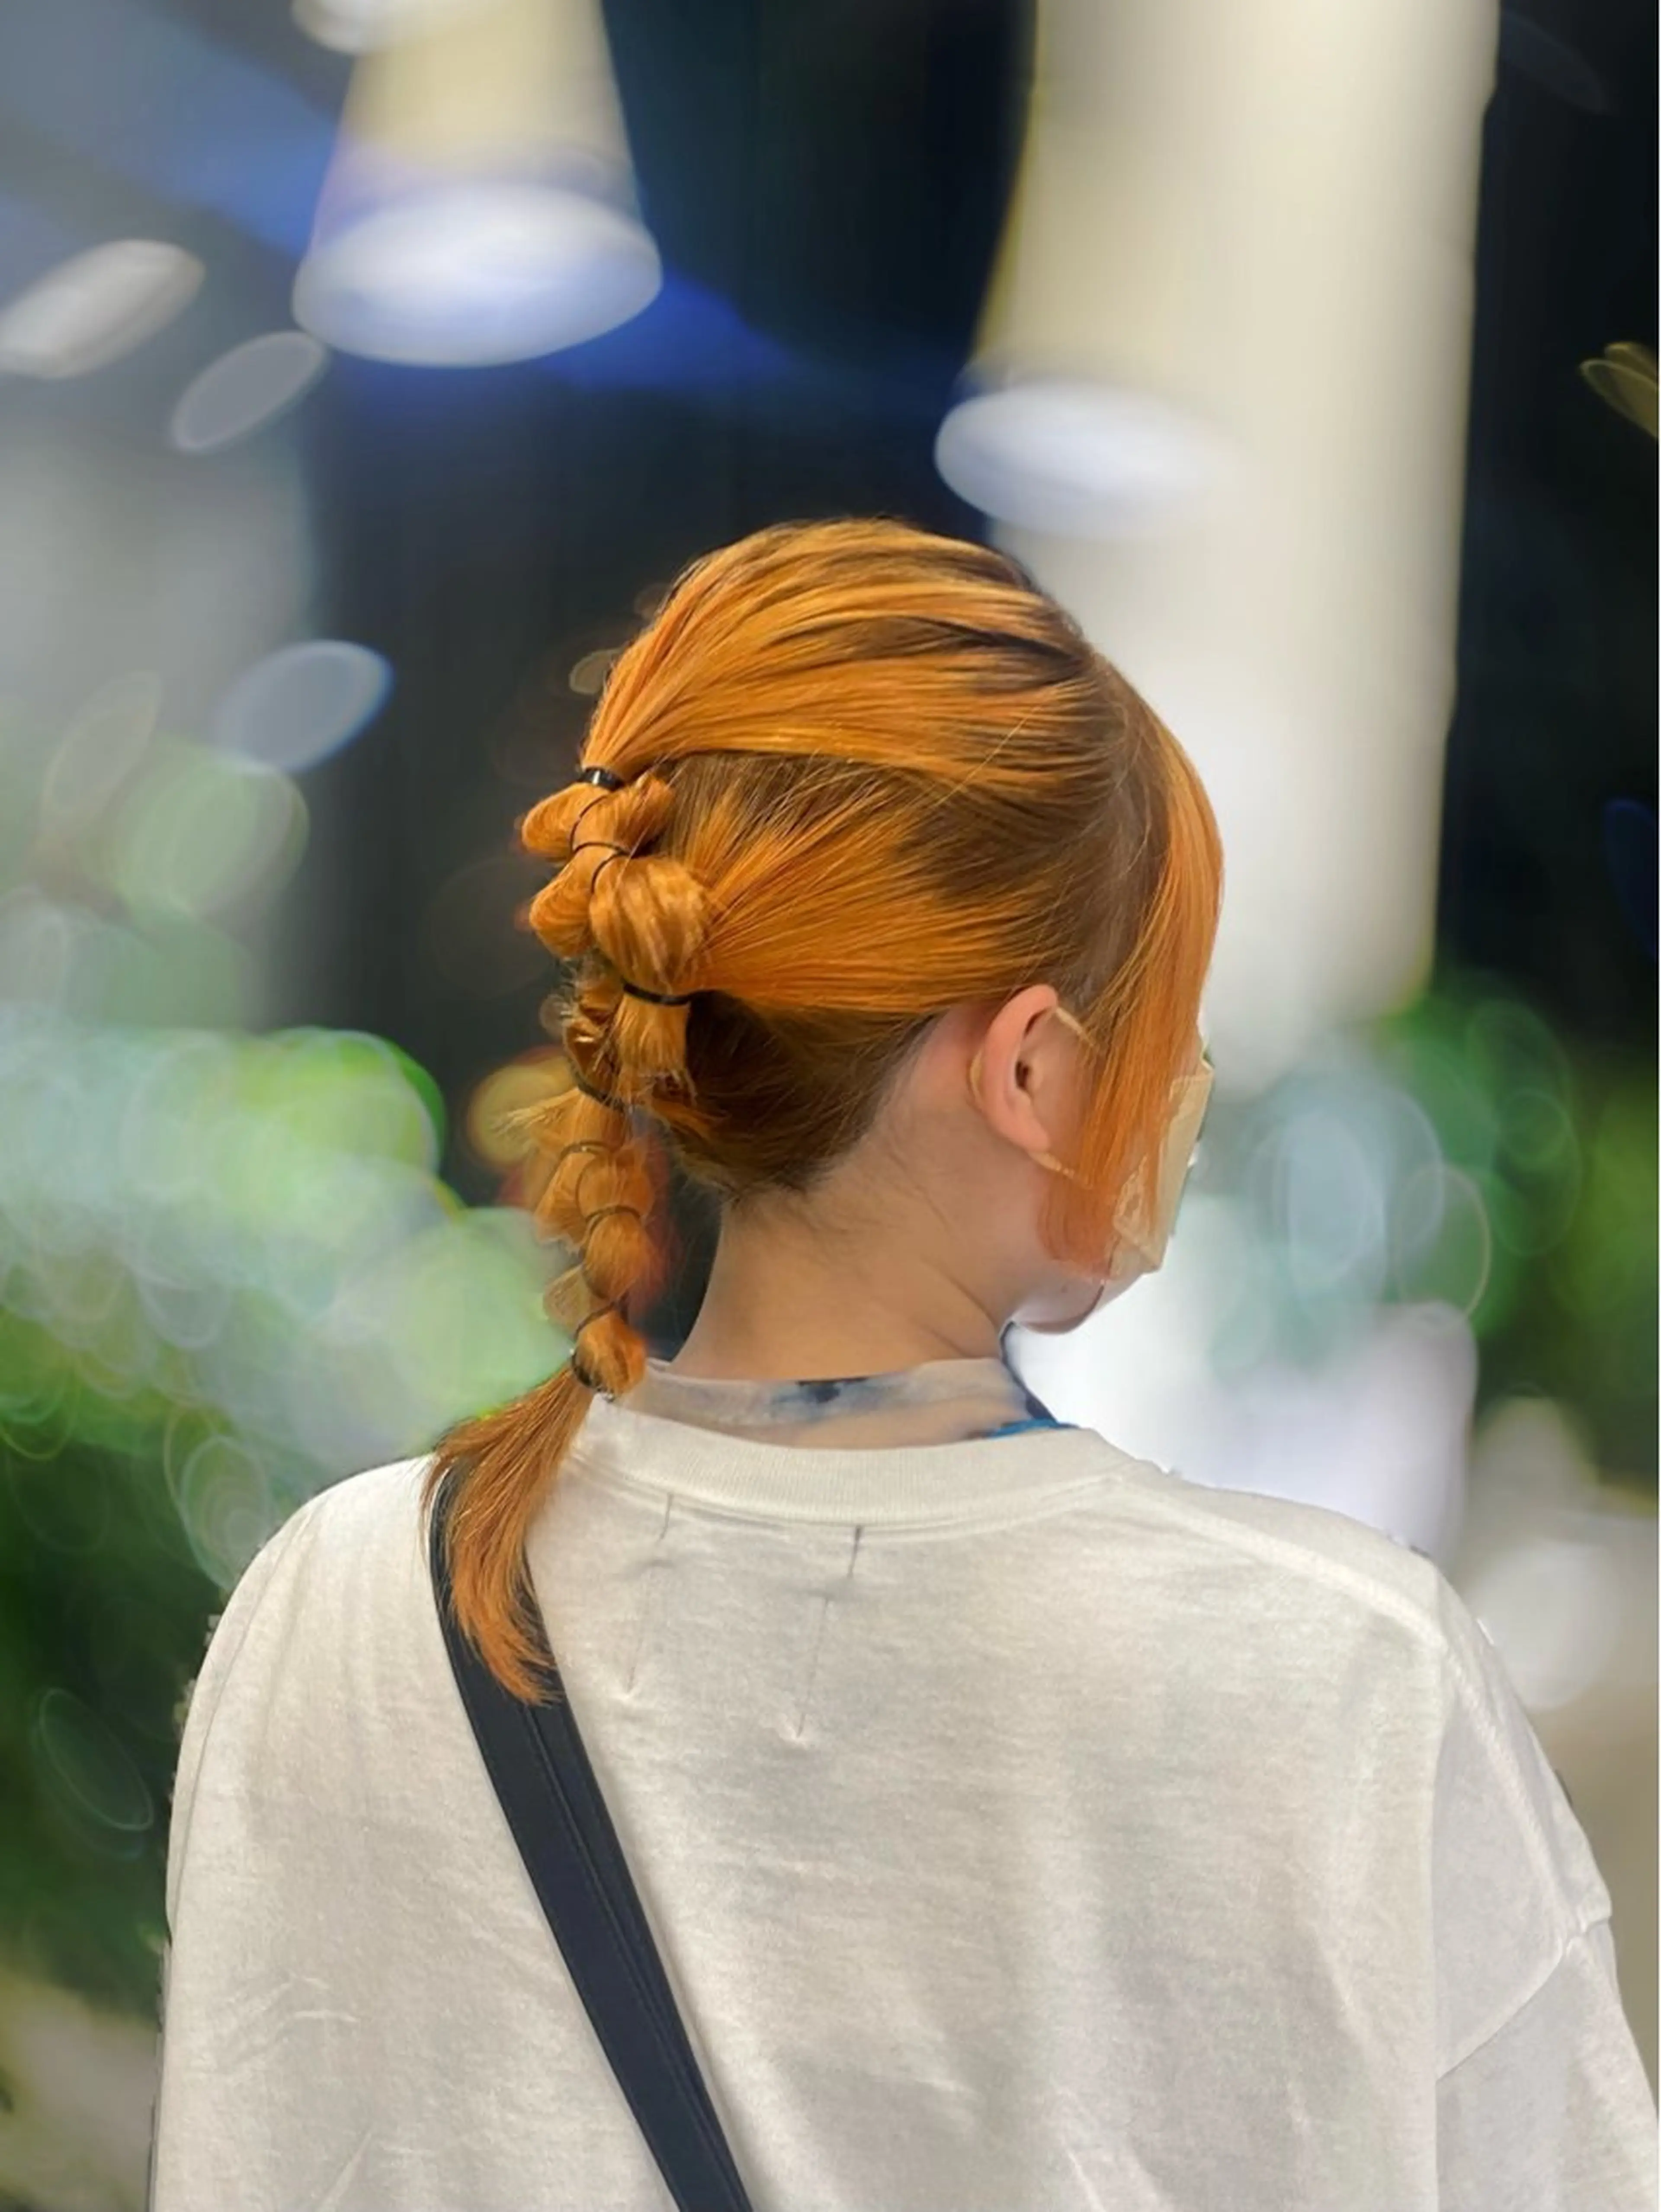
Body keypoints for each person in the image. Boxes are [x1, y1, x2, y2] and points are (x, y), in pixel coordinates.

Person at [151, 519, 1656, 2210]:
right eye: (1171, 1025)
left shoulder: (344, 1605)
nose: (1193, 1084)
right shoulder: (1345, 1680)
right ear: (1028, 1070)